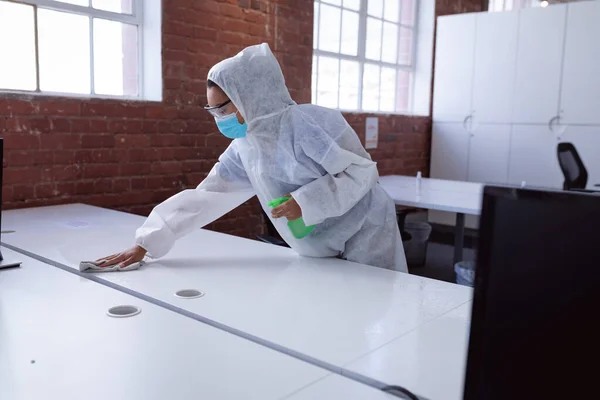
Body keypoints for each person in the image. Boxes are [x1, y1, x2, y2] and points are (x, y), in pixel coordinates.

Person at [98, 43, 408, 272]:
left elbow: (362, 173)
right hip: (318, 243)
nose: (219, 117)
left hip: (366, 229)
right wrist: (147, 242)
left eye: (223, 108)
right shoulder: (245, 147)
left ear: (252, 97)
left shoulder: (311, 125)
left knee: (375, 309)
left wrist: (306, 201)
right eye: (213, 111)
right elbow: (206, 195)